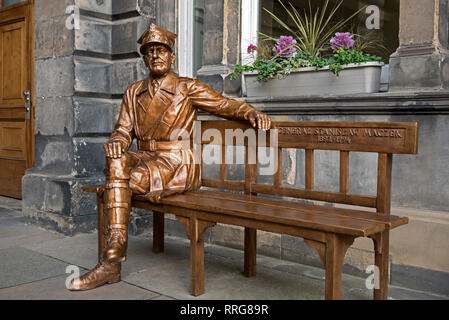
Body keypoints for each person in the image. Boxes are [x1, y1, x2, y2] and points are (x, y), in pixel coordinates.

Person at [69, 24, 271, 290]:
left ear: (172, 57)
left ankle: (110, 264)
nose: (156, 56)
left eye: (161, 50)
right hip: (143, 155)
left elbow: (223, 104)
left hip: (176, 161)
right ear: (144, 59)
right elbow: (122, 130)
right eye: (150, 51)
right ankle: (116, 244)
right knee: (116, 162)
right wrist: (117, 143)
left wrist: (249, 112)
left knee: (116, 184)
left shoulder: (186, 87)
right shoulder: (133, 92)